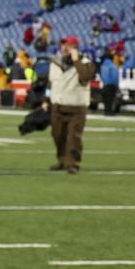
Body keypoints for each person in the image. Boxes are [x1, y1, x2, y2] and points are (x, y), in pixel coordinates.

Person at [43, 35, 96, 173]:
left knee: (74, 138)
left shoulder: (86, 63)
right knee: (58, 136)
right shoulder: (55, 63)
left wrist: (76, 60)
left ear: (75, 48)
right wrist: (45, 99)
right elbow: (50, 84)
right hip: (57, 106)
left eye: (68, 45)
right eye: (63, 45)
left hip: (76, 107)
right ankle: (62, 160)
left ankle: (72, 164)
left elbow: (84, 77)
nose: (64, 48)